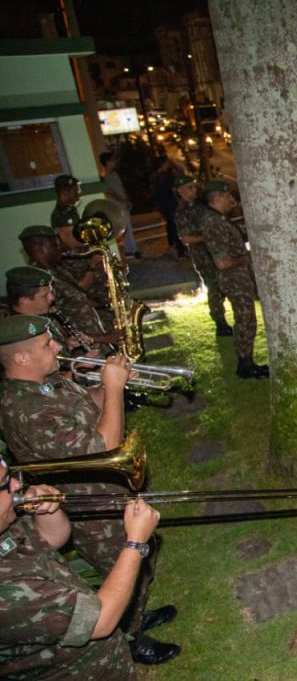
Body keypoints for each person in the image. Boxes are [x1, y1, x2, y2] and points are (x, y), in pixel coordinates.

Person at [0, 315, 179, 665]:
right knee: (123, 560)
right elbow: (104, 446)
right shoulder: (24, 409)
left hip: (107, 488)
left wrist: (111, 382)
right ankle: (130, 637)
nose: (57, 347)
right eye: (46, 345)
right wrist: (113, 388)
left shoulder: (47, 382)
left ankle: (135, 614)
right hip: (86, 504)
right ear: (21, 358)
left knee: (145, 552)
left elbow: (92, 406)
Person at [0, 454, 162, 678]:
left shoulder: (3, 523)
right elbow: (101, 621)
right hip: (77, 671)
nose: (17, 484)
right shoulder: (5, 593)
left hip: (101, 655)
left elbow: (51, 539)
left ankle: (134, 628)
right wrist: (135, 542)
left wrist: (49, 510)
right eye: (4, 484)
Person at [196, 180, 269, 378]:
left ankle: (247, 361)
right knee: (245, 319)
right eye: (228, 196)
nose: (231, 200)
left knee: (246, 319)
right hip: (233, 279)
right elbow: (222, 262)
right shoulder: (213, 222)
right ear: (217, 197)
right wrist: (247, 257)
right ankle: (245, 364)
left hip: (238, 277)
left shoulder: (219, 219)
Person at [18, 225, 122, 347]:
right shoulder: (39, 283)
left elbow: (76, 299)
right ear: (41, 249)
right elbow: (56, 328)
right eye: (55, 246)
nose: (60, 249)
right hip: (83, 347)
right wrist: (102, 338)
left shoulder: (57, 269)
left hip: (94, 337)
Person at [174, 176, 233, 337]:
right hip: (203, 256)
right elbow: (186, 238)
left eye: (194, 187)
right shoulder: (182, 212)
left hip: (216, 252)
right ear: (180, 191)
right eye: (189, 188)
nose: (193, 191)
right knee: (214, 288)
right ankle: (220, 322)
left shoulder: (201, 206)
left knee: (224, 285)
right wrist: (209, 237)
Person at [99, 151, 139, 258]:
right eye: (112, 160)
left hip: (122, 203)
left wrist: (126, 200)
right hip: (117, 205)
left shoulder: (114, 175)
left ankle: (132, 249)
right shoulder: (105, 177)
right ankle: (130, 250)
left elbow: (120, 189)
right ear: (107, 162)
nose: (115, 162)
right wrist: (124, 201)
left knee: (128, 227)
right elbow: (111, 193)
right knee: (124, 227)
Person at [149, 156, 186, 258]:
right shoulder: (167, 177)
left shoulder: (154, 176)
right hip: (171, 203)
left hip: (163, 205)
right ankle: (180, 250)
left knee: (170, 225)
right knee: (176, 226)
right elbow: (174, 190)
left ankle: (173, 246)